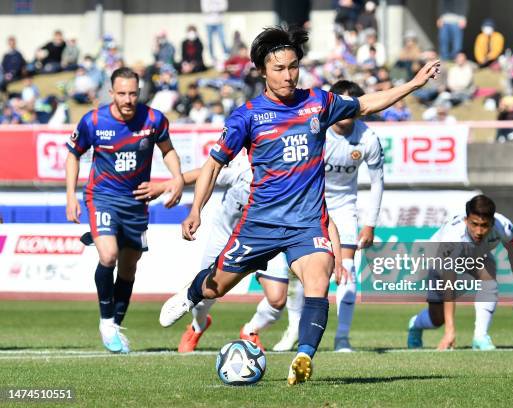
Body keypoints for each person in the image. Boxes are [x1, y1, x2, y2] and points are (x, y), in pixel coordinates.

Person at [158, 25, 439, 385]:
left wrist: (414, 83)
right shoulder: (247, 116)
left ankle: (303, 357)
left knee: (318, 281)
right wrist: (195, 209)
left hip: (307, 224)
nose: (289, 75)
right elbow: (214, 164)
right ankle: (191, 293)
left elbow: (366, 103)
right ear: (262, 70)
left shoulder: (317, 103)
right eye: (279, 69)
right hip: (260, 224)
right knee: (214, 288)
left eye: (293, 67)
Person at [135, 153, 345, 353]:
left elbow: (322, 213)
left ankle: (250, 330)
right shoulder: (243, 167)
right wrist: (165, 185)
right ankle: (197, 327)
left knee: (277, 299)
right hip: (226, 236)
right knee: (207, 291)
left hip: (268, 238)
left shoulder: (294, 176)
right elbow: (205, 172)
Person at [65, 67, 184, 354]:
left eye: (133, 93)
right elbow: (73, 154)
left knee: (129, 268)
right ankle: (106, 322)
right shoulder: (93, 121)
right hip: (102, 197)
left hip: (136, 203)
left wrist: (177, 178)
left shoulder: (154, 119)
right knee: (109, 255)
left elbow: (167, 150)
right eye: (122, 94)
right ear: (111, 94)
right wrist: (70, 195)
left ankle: (115, 325)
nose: (128, 99)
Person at [273, 80, 385, 353]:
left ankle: (342, 338)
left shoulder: (368, 138)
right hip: (310, 204)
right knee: (305, 270)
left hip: (345, 207)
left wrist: (369, 223)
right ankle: (294, 331)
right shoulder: (314, 128)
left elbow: (377, 181)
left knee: (347, 270)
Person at [406, 195, 513, 351]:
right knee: (438, 318)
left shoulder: (504, 227)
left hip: (474, 256)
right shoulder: (452, 237)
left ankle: (480, 337)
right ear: (466, 220)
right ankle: (415, 324)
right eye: (474, 224)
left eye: (484, 225)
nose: (479, 231)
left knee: (489, 271)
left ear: (492, 222)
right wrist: (449, 331)